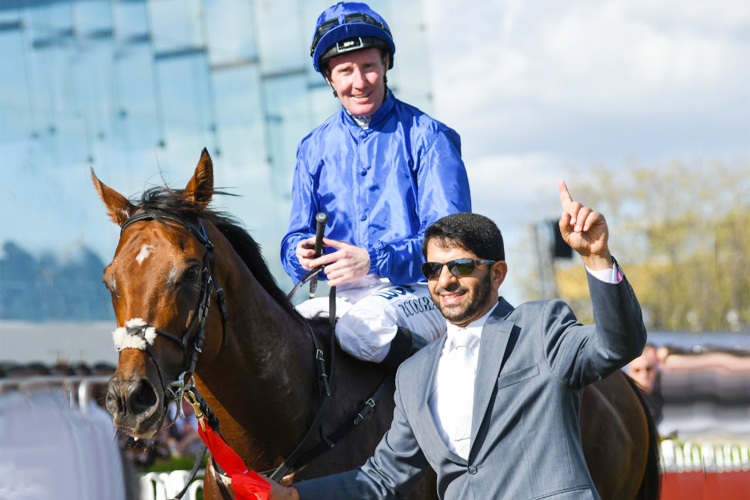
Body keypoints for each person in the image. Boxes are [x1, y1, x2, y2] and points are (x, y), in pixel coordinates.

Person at [267, 181, 647, 500]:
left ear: (497, 274)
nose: (445, 280)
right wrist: (296, 495)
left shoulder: (539, 327)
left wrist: (597, 258)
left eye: (462, 267)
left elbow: (616, 345)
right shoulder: (414, 374)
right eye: (433, 269)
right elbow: (381, 478)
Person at [280, 1, 471, 366]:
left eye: (368, 66)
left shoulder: (430, 137)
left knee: (360, 331)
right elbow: (293, 237)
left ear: (386, 64)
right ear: (329, 79)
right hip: (342, 296)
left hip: (425, 290)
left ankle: (429, 409)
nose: (359, 82)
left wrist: (371, 260)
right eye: (346, 70)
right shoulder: (312, 148)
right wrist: (299, 254)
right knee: (279, 340)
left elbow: (453, 244)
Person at [626, 344, 664, 424]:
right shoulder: (627, 402)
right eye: (637, 370)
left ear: (655, 370)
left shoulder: (662, 394)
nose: (644, 374)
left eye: (648, 369)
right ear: (628, 373)